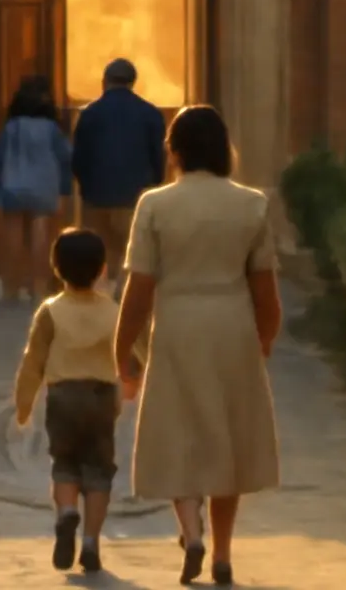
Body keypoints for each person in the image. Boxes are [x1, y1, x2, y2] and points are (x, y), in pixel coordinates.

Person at [114, 105, 282, 587]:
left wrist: (122, 347)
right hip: (232, 323)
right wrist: (264, 339)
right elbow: (265, 290)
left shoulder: (155, 205)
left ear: (175, 150)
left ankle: (190, 533)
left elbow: (139, 287)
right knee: (225, 438)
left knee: (178, 432)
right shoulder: (251, 204)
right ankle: (224, 553)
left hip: (178, 323)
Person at [13, 228, 121, 575]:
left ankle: (65, 512)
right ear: (102, 268)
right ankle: (91, 542)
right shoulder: (112, 311)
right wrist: (140, 376)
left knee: (64, 463)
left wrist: (24, 404)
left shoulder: (51, 311)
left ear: (55, 267)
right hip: (103, 396)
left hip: (63, 396)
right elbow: (136, 347)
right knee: (99, 469)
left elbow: (34, 361)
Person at [71, 58, 166, 296]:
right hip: (136, 195)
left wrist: (84, 186)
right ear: (133, 82)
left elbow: (79, 157)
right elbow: (159, 156)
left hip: (97, 194)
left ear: (105, 81)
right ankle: (123, 293)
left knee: (99, 248)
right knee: (131, 249)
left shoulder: (90, 113)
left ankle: (99, 292)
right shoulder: (150, 113)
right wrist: (155, 184)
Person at [0, 76, 73, 301]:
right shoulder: (51, 129)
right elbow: (66, 158)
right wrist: (64, 190)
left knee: (13, 237)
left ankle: (10, 287)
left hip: (12, 184)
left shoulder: (10, 128)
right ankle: (38, 287)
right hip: (44, 185)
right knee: (41, 235)